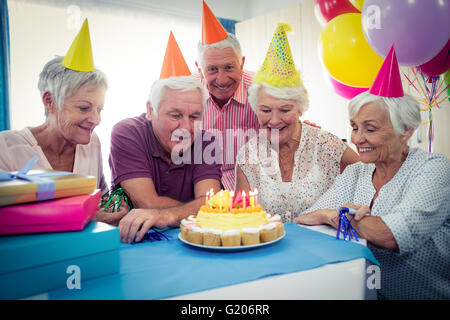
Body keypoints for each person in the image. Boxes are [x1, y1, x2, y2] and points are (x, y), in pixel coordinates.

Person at [295, 47, 450, 299]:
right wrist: (331, 214)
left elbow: (394, 235)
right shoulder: (357, 172)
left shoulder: (433, 169)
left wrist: (341, 219)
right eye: (355, 127)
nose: (357, 139)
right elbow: (305, 219)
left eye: (370, 129)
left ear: (406, 130)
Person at [0, 20, 127, 226]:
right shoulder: (6, 148)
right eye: (84, 108)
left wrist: (113, 204)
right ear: (50, 101)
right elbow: (7, 221)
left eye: (99, 109)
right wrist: (87, 216)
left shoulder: (91, 143)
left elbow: (100, 197)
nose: (96, 120)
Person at [235, 23, 359, 222]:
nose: (274, 120)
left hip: (323, 249)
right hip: (269, 251)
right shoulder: (247, 155)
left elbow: (370, 176)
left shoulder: (326, 144)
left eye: (285, 110)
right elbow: (240, 219)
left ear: (300, 108)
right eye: (266, 110)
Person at [109, 32, 222, 243]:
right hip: (137, 242)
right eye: (175, 115)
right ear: (150, 110)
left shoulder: (206, 141)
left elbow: (212, 204)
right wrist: (193, 209)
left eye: (195, 116)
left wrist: (167, 215)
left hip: (192, 242)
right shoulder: (127, 132)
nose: (186, 128)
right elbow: (147, 203)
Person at [194, 1, 259, 190]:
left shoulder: (261, 90)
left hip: (250, 187)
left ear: (242, 63)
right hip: (198, 188)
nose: (221, 80)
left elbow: (285, 127)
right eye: (212, 69)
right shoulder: (184, 92)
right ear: (199, 68)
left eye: (229, 67)